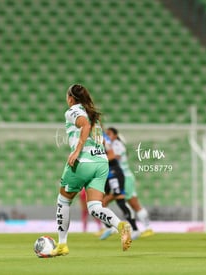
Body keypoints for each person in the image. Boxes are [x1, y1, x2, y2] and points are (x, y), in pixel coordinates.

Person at [52, 84, 132, 256]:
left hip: (83, 162)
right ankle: (120, 225)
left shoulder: (73, 111)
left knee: (63, 201)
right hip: (101, 162)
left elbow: (84, 126)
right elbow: (100, 138)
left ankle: (62, 245)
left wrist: (77, 149)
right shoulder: (93, 114)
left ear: (71, 98)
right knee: (95, 207)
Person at [106, 127, 154, 237]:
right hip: (121, 177)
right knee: (127, 203)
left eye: (109, 134)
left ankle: (146, 228)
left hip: (125, 178)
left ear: (115, 135)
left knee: (133, 204)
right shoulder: (112, 145)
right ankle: (137, 228)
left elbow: (114, 158)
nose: (107, 136)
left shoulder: (117, 145)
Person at [100, 131, 140, 240]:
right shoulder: (98, 143)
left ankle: (134, 229)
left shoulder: (109, 142)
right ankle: (110, 227)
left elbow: (113, 156)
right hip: (107, 174)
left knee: (121, 201)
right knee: (101, 203)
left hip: (116, 174)